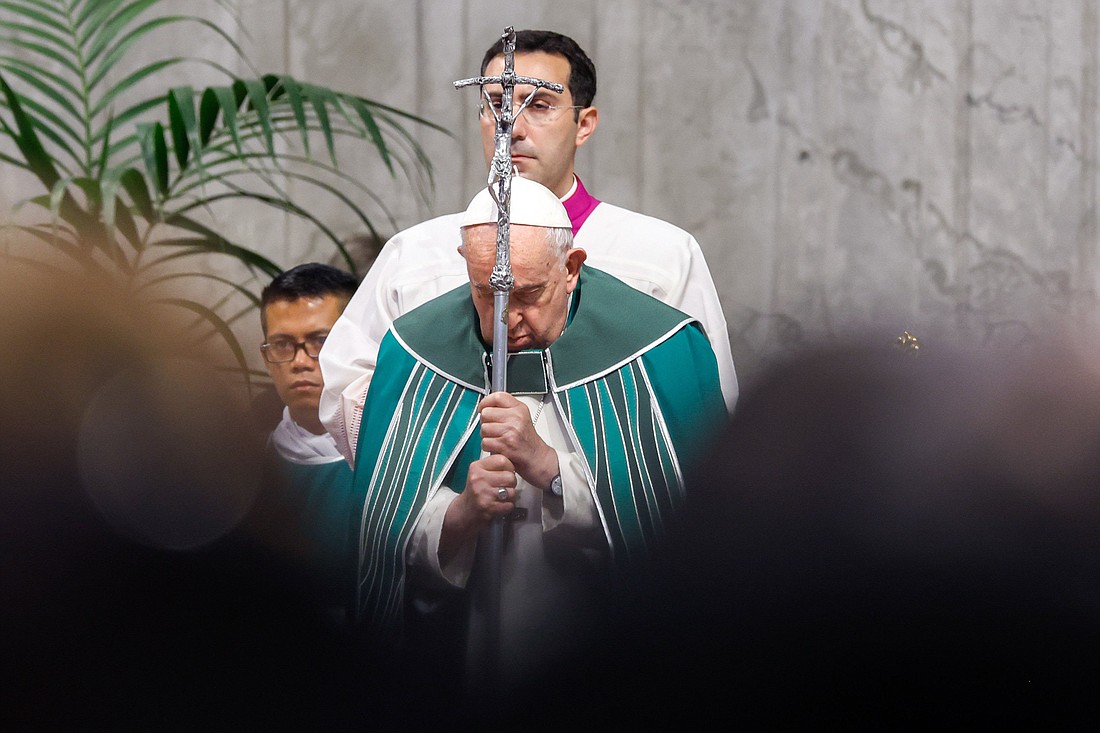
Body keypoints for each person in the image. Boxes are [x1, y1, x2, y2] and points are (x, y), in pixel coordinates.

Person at [351, 177, 727, 697]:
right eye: (486, 293)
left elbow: (687, 533)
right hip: (459, 659)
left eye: (528, 294)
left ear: (571, 268)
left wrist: (551, 470)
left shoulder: (659, 350)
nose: (508, 320)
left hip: (603, 659)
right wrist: (457, 517)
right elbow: (380, 532)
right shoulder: (416, 353)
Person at [320, 29, 738, 465]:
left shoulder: (660, 255)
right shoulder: (415, 254)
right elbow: (345, 388)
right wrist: (446, 480)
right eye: (497, 105)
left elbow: (703, 406)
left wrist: (567, 474)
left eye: (538, 106)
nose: (511, 127)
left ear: (585, 124)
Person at [258, 262, 359, 619]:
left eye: (320, 342)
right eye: (283, 345)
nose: (300, 362)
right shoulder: (245, 467)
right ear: (267, 360)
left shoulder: (392, 459)